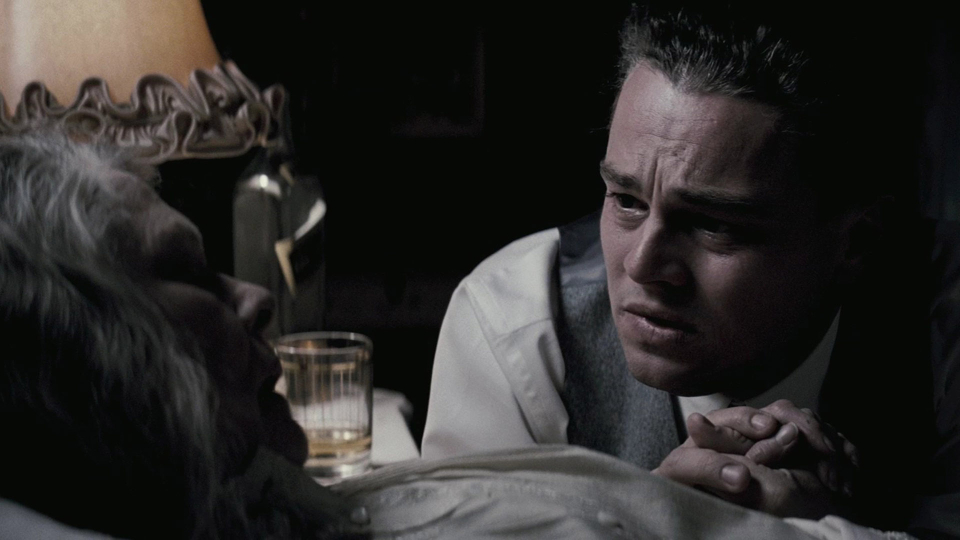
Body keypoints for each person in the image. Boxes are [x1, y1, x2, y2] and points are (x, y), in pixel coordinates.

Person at [421, 2, 940, 530]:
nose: (644, 264)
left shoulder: (945, 335)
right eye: (627, 200)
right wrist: (644, 525)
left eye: (713, 225)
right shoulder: (517, 324)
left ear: (856, 242)